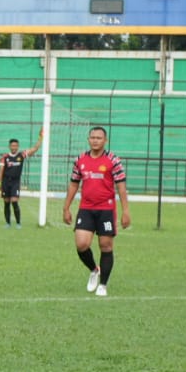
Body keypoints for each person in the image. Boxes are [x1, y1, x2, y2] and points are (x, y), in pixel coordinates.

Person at [61, 125, 131, 297]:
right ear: (88, 139)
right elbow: (74, 184)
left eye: (99, 138)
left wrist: (126, 211)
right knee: (81, 244)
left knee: (105, 245)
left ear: (105, 141)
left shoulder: (113, 161)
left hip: (106, 209)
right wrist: (66, 207)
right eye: (92, 137)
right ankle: (94, 269)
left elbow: (121, 187)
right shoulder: (81, 160)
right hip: (86, 208)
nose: (95, 140)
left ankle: (103, 285)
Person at [0, 128, 43, 227]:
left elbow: (34, 149)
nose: (14, 147)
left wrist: (40, 137)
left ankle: (18, 223)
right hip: (5, 182)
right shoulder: (4, 157)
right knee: (6, 202)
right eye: (12, 145)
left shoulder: (21, 155)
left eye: (16, 145)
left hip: (15, 182)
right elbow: (1, 171)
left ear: (18, 146)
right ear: (9, 146)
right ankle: (8, 223)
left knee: (14, 201)